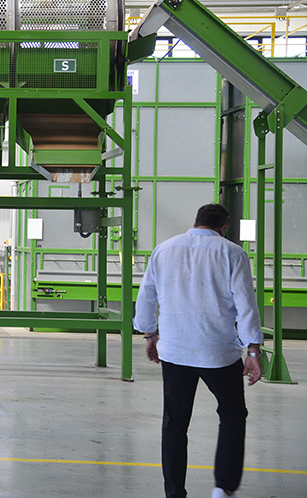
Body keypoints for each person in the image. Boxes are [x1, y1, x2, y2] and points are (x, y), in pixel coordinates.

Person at [134, 203, 263, 498]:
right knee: (232, 414)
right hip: (218, 352)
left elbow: (146, 296)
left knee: (174, 424)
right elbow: (246, 304)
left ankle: (174, 492)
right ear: (223, 227)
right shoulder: (232, 253)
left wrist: (149, 334)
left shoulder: (164, 249)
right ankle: (223, 487)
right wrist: (253, 351)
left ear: (196, 222)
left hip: (175, 351)